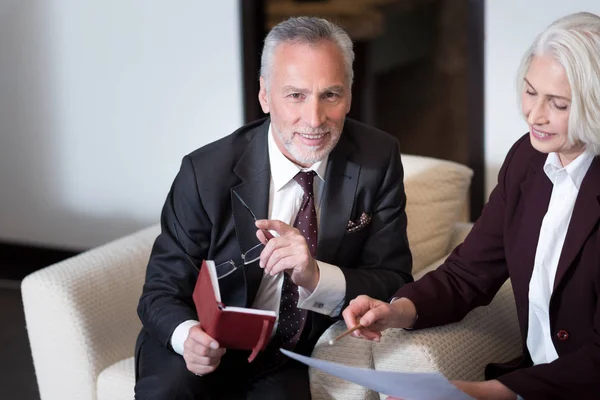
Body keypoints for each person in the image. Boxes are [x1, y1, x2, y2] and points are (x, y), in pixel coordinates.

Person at [134, 16, 413, 400]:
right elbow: (160, 291)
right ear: (265, 95)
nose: (314, 120)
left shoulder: (377, 160)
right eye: (295, 95)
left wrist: (317, 276)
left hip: (286, 351)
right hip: (200, 336)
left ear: (349, 94)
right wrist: (187, 337)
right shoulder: (205, 172)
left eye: (330, 95)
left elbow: (393, 278)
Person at [342, 11, 600, 400]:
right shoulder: (526, 161)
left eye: (558, 104)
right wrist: (398, 310)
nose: (534, 114)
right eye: (530, 92)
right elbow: (468, 273)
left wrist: (478, 393)